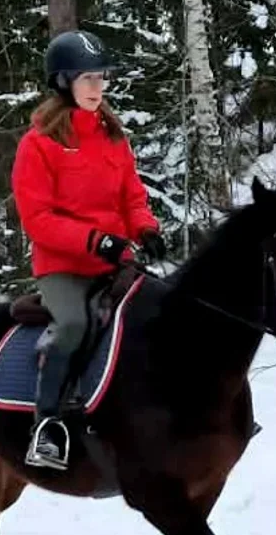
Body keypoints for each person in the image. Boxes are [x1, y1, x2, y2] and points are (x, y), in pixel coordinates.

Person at [11, 29, 166, 470]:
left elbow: (132, 196)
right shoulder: (38, 145)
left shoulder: (112, 136)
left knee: (161, 311)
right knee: (75, 324)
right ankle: (48, 425)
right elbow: (38, 219)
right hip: (64, 267)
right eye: (87, 78)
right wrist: (95, 241)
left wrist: (145, 228)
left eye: (101, 77)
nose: (98, 87)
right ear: (63, 82)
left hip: (115, 261)